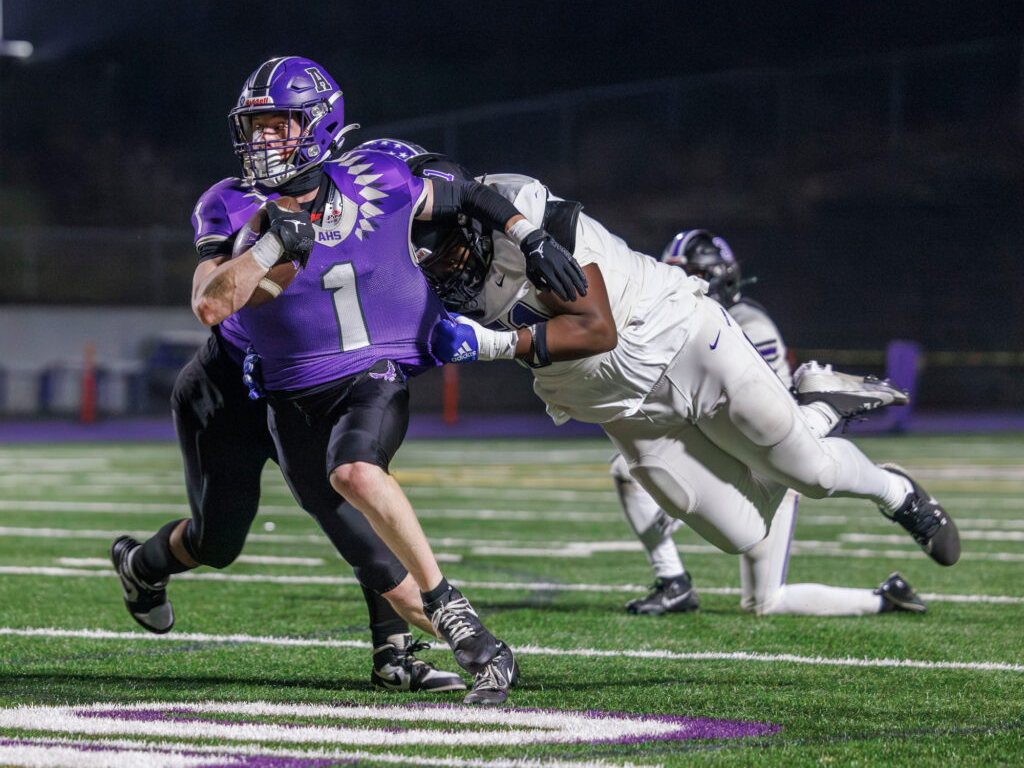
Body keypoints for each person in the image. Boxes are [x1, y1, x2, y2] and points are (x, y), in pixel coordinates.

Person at [187, 57, 587, 705]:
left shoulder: (377, 178)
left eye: (278, 126)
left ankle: (439, 626)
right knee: (381, 569)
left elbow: (470, 192)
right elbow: (210, 305)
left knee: (356, 472)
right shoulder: (232, 205)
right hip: (288, 401)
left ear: (318, 126)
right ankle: (483, 649)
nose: (263, 142)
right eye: (255, 128)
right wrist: (265, 246)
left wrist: (531, 236)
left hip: (370, 376)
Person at [410, 155, 960, 619]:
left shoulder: (523, 210)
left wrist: (491, 345)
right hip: (619, 406)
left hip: (679, 340)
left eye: (448, 254)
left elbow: (595, 328)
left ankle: (889, 485)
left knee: (813, 475)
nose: (444, 272)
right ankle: (810, 417)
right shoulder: (435, 256)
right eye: (429, 263)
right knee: (741, 532)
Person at [611, 229, 922, 617]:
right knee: (627, 467)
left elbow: (766, 414)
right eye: (673, 273)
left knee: (765, 602)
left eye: (689, 272)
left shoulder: (748, 325)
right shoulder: (684, 325)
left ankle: (884, 593)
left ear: (718, 275)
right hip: (725, 444)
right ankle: (673, 581)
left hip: (770, 459)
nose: (679, 283)